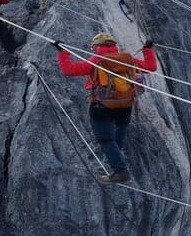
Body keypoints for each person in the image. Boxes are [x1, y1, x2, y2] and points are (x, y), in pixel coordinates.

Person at [52, 32, 157, 183]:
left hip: (102, 106)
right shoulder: (128, 60)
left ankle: (120, 172)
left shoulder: (97, 60)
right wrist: (147, 50)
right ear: (115, 46)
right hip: (126, 104)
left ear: (95, 47)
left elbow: (69, 70)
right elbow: (151, 67)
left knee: (106, 139)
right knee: (118, 132)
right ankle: (116, 157)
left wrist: (63, 52)